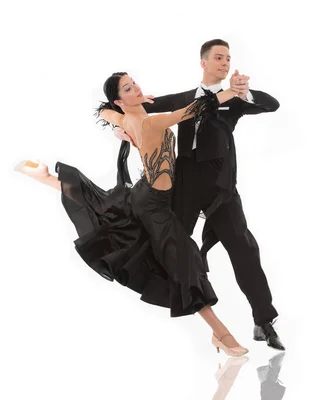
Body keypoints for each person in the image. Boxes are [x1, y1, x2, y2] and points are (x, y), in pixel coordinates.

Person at [15, 72, 248, 356]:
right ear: (120, 99)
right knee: (183, 263)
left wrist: (121, 120)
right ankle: (221, 334)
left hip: (148, 194)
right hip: (154, 205)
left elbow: (104, 110)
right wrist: (232, 92)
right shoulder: (151, 121)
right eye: (128, 88)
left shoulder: (125, 118)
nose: (136, 87)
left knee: (109, 210)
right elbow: (195, 109)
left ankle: (45, 177)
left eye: (134, 83)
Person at [139, 39, 285, 350]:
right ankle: (207, 320)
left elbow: (271, 105)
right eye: (218, 57)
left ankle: (263, 320)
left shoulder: (234, 99)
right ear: (203, 62)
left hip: (221, 186)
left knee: (243, 249)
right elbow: (140, 111)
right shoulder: (184, 98)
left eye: (228, 58)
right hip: (186, 183)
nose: (225, 63)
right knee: (170, 246)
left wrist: (245, 92)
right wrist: (120, 127)